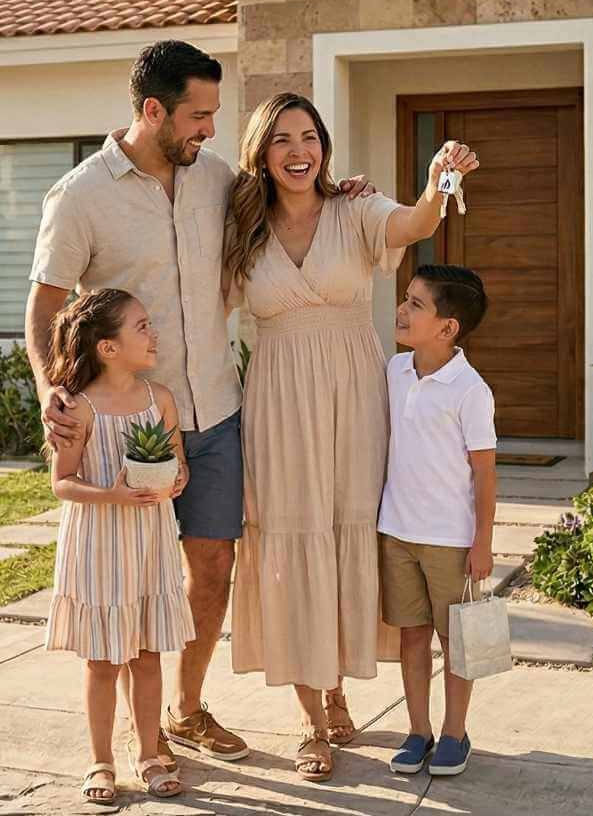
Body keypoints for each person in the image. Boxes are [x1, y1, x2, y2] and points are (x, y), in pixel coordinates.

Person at [24, 41, 374, 770]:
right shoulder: (81, 194)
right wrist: (51, 386)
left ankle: (185, 710)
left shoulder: (219, 180)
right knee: (132, 583)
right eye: (197, 115)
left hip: (214, 412)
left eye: (213, 115)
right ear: (152, 111)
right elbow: (46, 304)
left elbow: (291, 198)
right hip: (125, 426)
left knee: (211, 567)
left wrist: (342, 194)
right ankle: (133, 735)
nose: (210, 130)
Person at [224, 92, 479, 782]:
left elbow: (417, 221)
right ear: (261, 153)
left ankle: (336, 685)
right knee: (291, 538)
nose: (298, 151)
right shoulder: (239, 228)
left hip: (355, 399)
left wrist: (437, 179)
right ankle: (312, 721)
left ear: (325, 147)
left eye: (309, 137)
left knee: (351, 538)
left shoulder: (356, 210)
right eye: (281, 140)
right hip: (279, 402)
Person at [45, 288, 195, 804]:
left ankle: (149, 753)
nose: (153, 335)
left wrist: (176, 480)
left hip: (150, 543)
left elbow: (178, 463)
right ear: (108, 348)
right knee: (103, 662)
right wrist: (110, 494)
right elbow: (61, 483)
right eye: (142, 327)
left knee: (149, 653)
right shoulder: (79, 408)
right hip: (100, 547)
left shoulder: (162, 399)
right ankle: (100, 759)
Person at [378, 265, 497, 778]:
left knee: (456, 641)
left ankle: (454, 732)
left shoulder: (470, 390)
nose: (402, 311)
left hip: (449, 538)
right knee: (411, 635)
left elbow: (485, 475)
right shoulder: (394, 371)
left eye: (416, 304)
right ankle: (418, 730)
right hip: (397, 532)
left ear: (447, 328)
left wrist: (482, 542)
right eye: (405, 300)